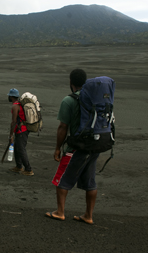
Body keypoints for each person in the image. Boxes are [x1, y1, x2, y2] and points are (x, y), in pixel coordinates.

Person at [45, 68, 99, 224]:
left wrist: (57, 148)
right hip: (94, 146)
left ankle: (60, 212)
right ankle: (88, 215)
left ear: (71, 82)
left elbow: (63, 127)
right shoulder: (94, 99)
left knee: (62, 179)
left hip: (76, 147)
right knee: (90, 182)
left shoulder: (69, 100)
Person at [7, 88, 34, 176]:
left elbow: (14, 122)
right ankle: (19, 166)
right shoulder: (18, 104)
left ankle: (28, 169)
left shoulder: (15, 106)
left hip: (21, 130)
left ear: (11, 96)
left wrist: (11, 135)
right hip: (22, 130)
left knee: (21, 149)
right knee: (17, 148)